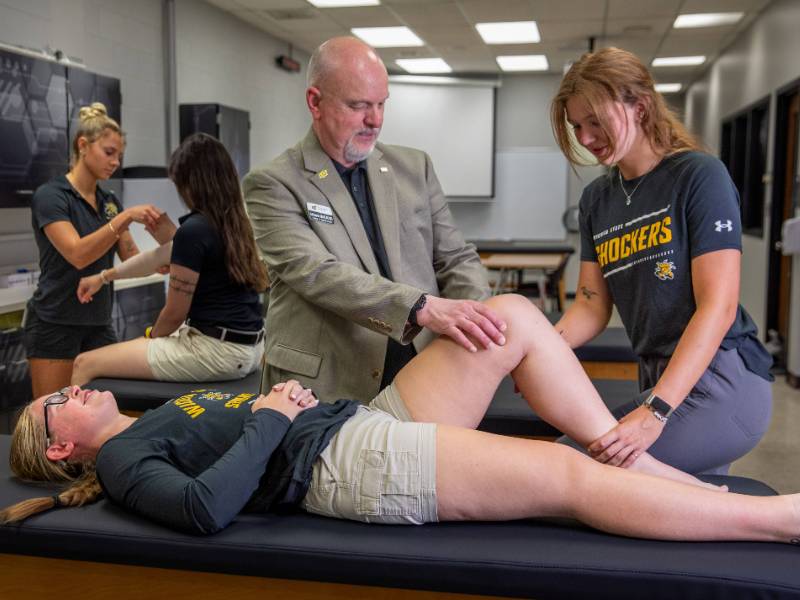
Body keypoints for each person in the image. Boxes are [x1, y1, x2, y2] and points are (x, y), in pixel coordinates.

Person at [2, 294, 799, 547]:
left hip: (359, 423)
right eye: (58, 403)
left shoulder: (146, 426)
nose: (71, 389)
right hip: (346, 467)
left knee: (512, 317)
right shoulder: (118, 464)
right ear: (66, 447)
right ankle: (768, 522)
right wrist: (275, 417)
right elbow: (206, 509)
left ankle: (642, 464)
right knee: (567, 477)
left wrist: (283, 414)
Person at [549, 47, 773, 475]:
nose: (585, 137)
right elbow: (592, 304)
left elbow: (718, 306)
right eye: (577, 125)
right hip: (658, 378)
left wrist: (655, 411)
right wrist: (539, 348)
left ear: (641, 106)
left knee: (575, 467)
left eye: (595, 120)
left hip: (720, 383)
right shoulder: (597, 199)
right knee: (675, 520)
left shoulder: (698, 176)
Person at [243, 36, 503, 404]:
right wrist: (421, 307)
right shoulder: (274, 183)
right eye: (358, 105)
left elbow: (455, 257)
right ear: (315, 102)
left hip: (422, 365)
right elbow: (317, 273)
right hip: (327, 380)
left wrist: (482, 324)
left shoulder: (414, 168)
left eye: (382, 104)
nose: (375, 120)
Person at [68, 133, 267, 386]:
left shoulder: (195, 230)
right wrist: (103, 277)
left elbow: (173, 315)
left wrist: (150, 336)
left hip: (215, 352)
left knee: (84, 363)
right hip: (250, 350)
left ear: (190, 183)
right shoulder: (236, 224)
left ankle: (78, 425)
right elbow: (155, 259)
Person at [25, 102, 161, 399]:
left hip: (98, 324)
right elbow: (77, 254)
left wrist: (166, 259)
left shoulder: (109, 201)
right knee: (53, 416)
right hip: (55, 323)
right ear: (83, 145)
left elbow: (131, 258)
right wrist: (125, 218)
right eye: (109, 153)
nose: (115, 162)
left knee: (101, 416)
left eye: (119, 156)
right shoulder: (52, 196)